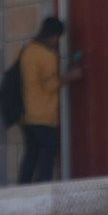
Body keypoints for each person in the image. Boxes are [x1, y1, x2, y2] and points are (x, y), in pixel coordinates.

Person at [16, 16, 79, 185]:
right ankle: (42, 188)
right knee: (49, 152)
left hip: (26, 112)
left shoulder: (28, 50)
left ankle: (23, 188)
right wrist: (70, 77)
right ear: (54, 35)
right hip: (43, 114)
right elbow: (49, 85)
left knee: (31, 154)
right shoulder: (46, 55)